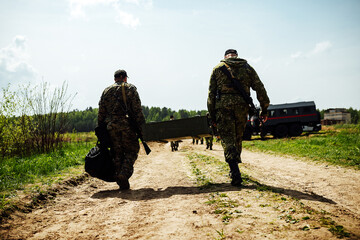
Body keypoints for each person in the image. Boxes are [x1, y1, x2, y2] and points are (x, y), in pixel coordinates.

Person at [207, 49, 270, 186]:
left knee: (228, 139)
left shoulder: (218, 69)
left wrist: (212, 116)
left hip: (223, 109)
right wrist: (264, 110)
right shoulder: (247, 69)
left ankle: (234, 170)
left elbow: (211, 95)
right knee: (237, 137)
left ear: (225, 57)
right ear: (236, 56)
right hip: (242, 108)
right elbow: (260, 88)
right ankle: (235, 167)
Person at [98, 69, 145, 190]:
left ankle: (120, 178)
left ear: (115, 78)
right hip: (126, 125)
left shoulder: (106, 91)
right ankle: (123, 175)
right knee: (132, 150)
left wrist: (101, 129)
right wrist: (142, 128)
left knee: (117, 152)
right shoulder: (130, 89)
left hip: (110, 127)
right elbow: (137, 110)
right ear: (124, 78)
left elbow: (101, 112)